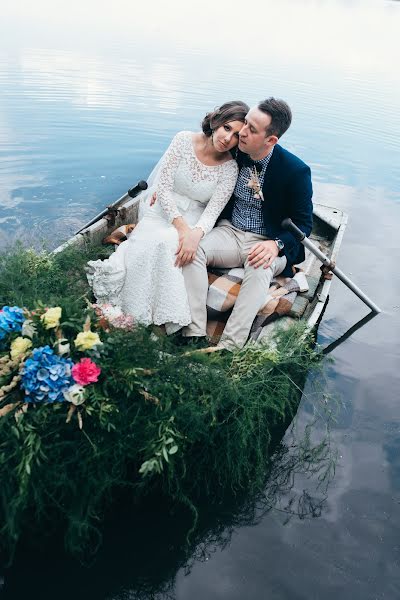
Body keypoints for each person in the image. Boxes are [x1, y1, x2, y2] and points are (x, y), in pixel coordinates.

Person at [86, 101, 249, 331]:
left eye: (235, 135)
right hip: (164, 207)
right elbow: (162, 187)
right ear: (216, 122)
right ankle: (133, 309)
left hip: (195, 217)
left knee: (171, 244)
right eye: (227, 128)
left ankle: (160, 315)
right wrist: (181, 226)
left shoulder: (230, 168)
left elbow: (212, 211)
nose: (228, 138)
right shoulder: (184, 139)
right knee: (157, 240)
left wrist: (194, 234)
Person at [182, 97, 313, 350]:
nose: (241, 132)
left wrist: (276, 245)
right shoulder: (234, 152)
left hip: (268, 241)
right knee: (193, 249)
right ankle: (193, 332)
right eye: (246, 124)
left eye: (252, 129)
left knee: (260, 265)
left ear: (271, 140)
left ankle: (229, 346)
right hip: (230, 232)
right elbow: (199, 164)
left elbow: (305, 225)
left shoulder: (296, 171)